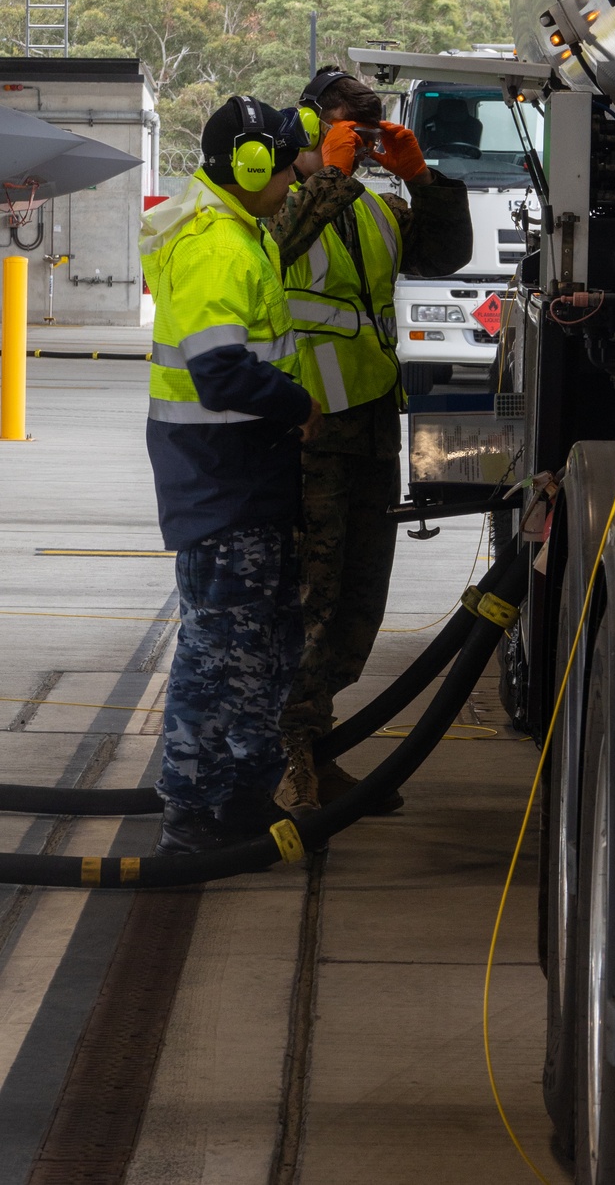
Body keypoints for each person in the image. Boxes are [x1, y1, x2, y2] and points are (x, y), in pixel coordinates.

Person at [266, 68, 473, 814]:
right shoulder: (276, 204)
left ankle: (315, 750)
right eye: (346, 126)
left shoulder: (379, 210)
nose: (359, 140)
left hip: (373, 427)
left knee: (357, 605)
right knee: (307, 605)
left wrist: (424, 180)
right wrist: (333, 174)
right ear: (310, 128)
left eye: (369, 128)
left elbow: (444, 255)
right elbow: (275, 259)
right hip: (309, 431)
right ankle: (285, 762)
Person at [140, 96, 323, 855]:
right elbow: (220, 372)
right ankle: (192, 813)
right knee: (219, 653)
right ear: (251, 165)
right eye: (284, 166)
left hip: (244, 478)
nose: (291, 181)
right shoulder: (218, 244)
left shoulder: (237, 232)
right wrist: (298, 403)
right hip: (225, 482)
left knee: (255, 649)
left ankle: (240, 796)